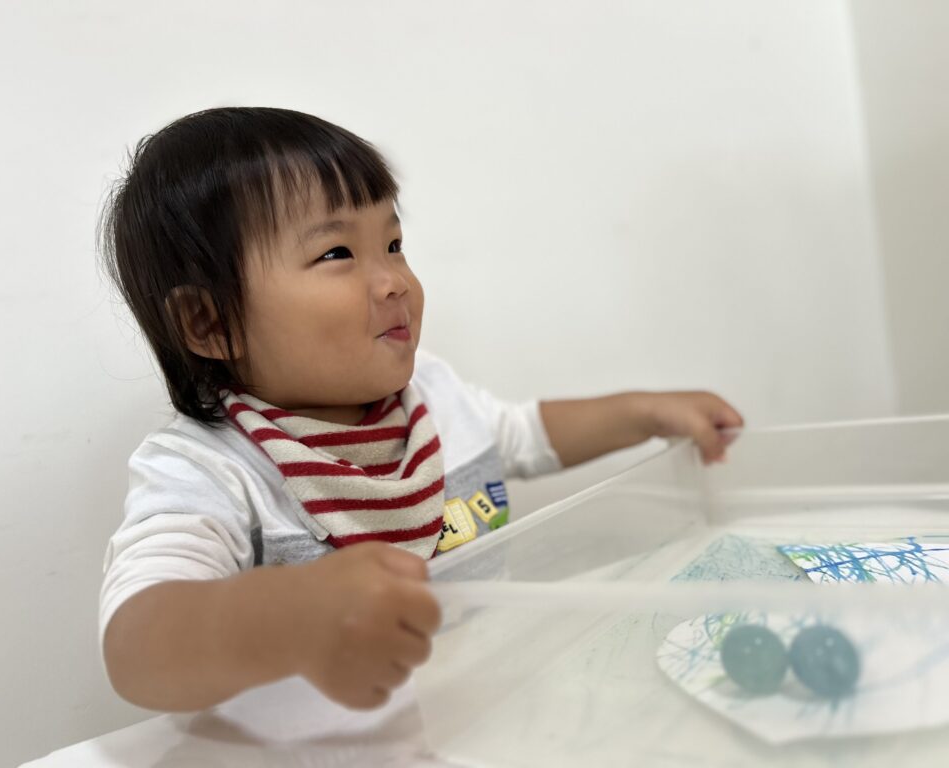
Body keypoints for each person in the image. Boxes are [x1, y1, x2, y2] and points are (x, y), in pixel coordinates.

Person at [98, 106, 743, 714]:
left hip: (484, 711)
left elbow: (521, 434)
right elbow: (136, 648)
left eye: (394, 243)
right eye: (336, 253)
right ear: (209, 323)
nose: (395, 281)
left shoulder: (431, 393)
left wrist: (643, 412)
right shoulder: (209, 470)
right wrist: (291, 615)